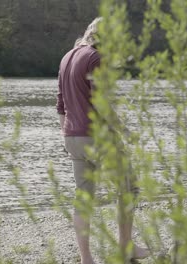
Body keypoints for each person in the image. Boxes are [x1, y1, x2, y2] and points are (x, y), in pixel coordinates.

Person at [56, 17, 149, 264]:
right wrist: (124, 132)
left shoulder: (66, 57)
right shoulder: (96, 58)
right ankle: (126, 247)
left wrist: (65, 137)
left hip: (72, 137)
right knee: (128, 189)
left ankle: (86, 259)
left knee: (84, 197)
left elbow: (60, 105)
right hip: (97, 137)